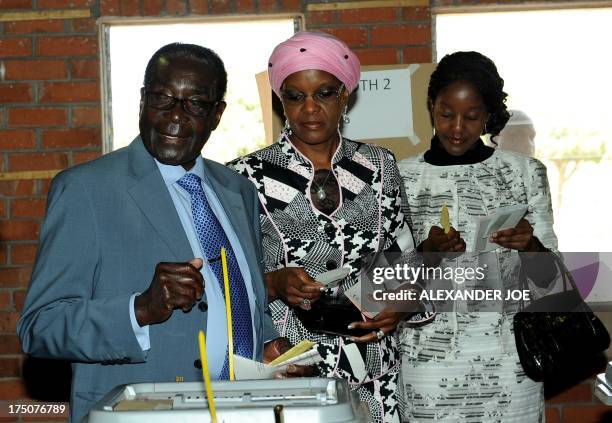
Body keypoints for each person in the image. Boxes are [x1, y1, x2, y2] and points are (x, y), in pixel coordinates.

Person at [17, 43, 289, 423]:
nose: (174, 117)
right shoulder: (86, 189)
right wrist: (140, 309)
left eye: (194, 103)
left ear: (217, 114)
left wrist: (266, 348)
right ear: (143, 100)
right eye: (162, 98)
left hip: (241, 410)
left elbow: (243, 302)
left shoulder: (236, 190)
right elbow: (40, 327)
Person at [228, 31, 416, 423]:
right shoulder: (246, 175)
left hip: (373, 371)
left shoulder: (379, 166)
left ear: (345, 95)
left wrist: (398, 305)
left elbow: (405, 260)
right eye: (295, 96)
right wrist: (274, 283)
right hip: (291, 367)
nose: (310, 108)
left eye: (325, 93)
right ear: (281, 99)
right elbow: (226, 279)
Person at [397, 51, 558, 421]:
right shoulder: (401, 178)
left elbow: (554, 284)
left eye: (471, 117)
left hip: (511, 364)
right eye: (445, 113)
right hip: (428, 367)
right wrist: (425, 253)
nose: (457, 127)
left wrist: (531, 248)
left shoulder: (525, 174)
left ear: (488, 116)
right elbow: (379, 290)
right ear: (430, 107)